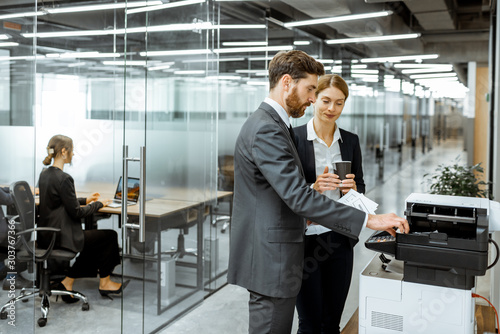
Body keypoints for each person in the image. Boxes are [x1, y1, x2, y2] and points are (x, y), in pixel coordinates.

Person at [227, 50, 409, 334]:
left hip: (281, 253)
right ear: (287, 82)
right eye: (311, 89)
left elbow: (284, 196)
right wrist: (368, 220)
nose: (313, 98)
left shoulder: (275, 125)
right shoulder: (268, 129)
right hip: (272, 260)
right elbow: (299, 196)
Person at [294, 74, 363, 333]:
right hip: (306, 241)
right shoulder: (295, 139)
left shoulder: (350, 141)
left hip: (339, 238)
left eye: (339, 103)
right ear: (314, 100)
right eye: (325, 101)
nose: (331, 109)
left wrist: (354, 191)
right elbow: (286, 191)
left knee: (332, 322)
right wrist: (313, 188)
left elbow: (362, 187)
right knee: (310, 323)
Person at [38, 134, 126, 302]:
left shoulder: (45, 174)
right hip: (62, 236)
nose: (73, 154)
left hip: (47, 235)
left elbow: (60, 201)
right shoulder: (64, 178)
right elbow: (77, 213)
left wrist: (87, 200)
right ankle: (104, 282)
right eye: (72, 151)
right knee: (109, 237)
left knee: (91, 242)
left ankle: (68, 282)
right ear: (64, 151)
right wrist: (99, 204)